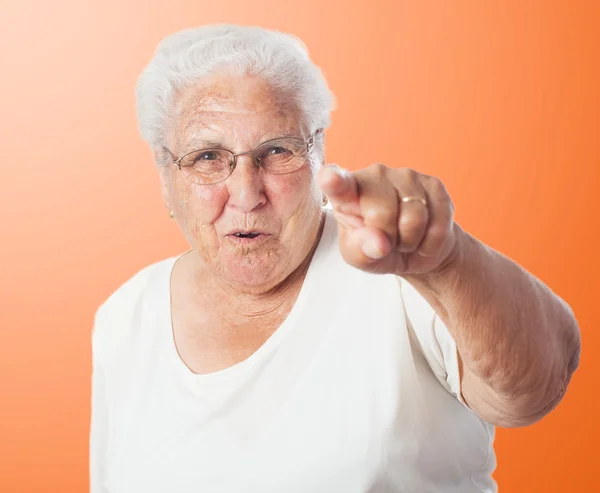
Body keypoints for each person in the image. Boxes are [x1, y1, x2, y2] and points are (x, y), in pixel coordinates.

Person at [89, 24, 581, 493]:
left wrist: (450, 260)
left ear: (319, 153)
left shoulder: (395, 264)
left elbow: (534, 389)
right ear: (166, 179)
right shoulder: (124, 317)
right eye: (207, 157)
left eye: (276, 151)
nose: (245, 193)